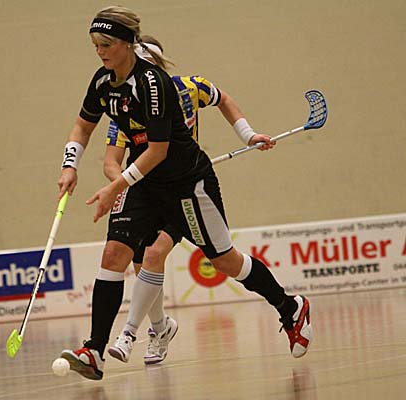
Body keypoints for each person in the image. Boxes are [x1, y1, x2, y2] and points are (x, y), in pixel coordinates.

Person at [58, 6, 311, 381]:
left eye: (106, 44)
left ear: (128, 43)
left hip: (186, 185)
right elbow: (82, 127)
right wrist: (70, 164)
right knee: (114, 253)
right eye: (95, 44)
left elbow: (158, 151)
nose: (100, 51)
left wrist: (115, 187)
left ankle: (290, 307)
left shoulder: (155, 85)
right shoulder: (102, 82)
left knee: (225, 261)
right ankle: (95, 350)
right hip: (144, 183)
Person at [103, 34, 277, 365]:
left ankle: (128, 333)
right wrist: (123, 184)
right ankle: (161, 327)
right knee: (142, 264)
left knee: (155, 254)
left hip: (183, 187)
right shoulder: (125, 106)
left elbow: (223, 98)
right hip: (145, 191)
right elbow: (111, 161)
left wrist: (247, 134)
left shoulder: (189, 87)